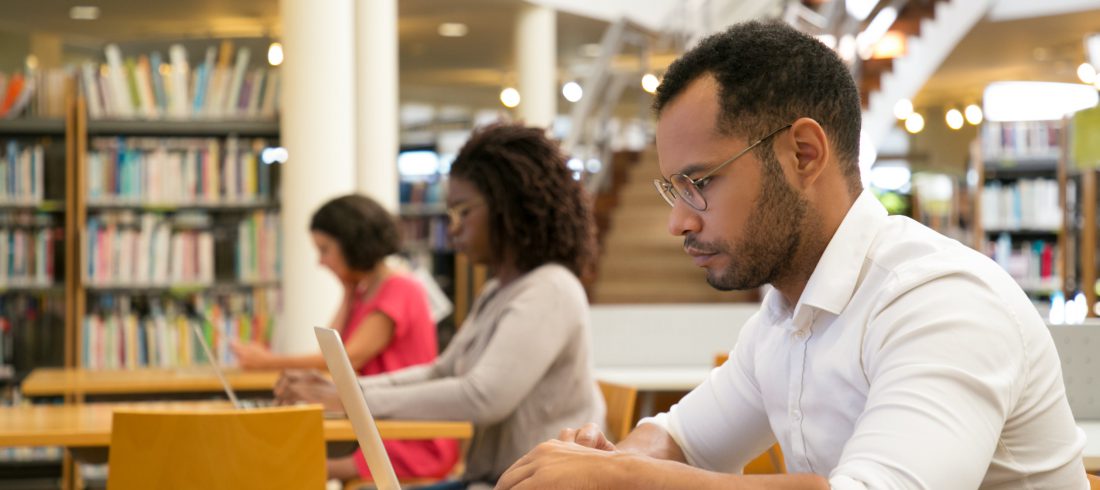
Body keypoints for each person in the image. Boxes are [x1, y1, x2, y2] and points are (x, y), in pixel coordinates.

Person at [496, 20, 1088, 489]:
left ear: (803, 154)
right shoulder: (784, 318)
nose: (679, 221)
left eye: (700, 182)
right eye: (673, 190)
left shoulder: (940, 300)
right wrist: (604, 463)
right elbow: (679, 439)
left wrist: (623, 476)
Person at [275, 122, 606, 488]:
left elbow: (483, 397)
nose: (453, 229)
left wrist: (350, 398)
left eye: (463, 212)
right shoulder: (498, 291)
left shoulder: (550, 289)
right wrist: (349, 390)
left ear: (509, 208)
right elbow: (441, 371)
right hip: (489, 479)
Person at [232, 194, 459, 483]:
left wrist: (266, 362)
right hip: (380, 426)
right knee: (286, 455)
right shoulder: (364, 292)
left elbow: (348, 358)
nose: (321, 262)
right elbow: (331, 350)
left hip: (411, 438)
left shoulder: (400, 289)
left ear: (352, 245)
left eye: (325, 250)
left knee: (290, 463)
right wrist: (348, 292)